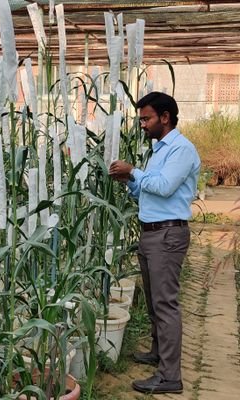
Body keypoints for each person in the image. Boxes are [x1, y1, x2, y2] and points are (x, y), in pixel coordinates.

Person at [109, 91, 200, 395]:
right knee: (153, 301)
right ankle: (159, 354)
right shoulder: (159, 150)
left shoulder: (181, 150)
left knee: (166, 305)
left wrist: (133, 171)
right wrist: (130, 182)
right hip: (152, 232)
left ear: (165, 117)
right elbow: (147, 191)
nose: (142, 125)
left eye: (146, 118)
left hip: (167, 235)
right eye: (140, 119)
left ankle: (170, 377)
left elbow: (163, 187)